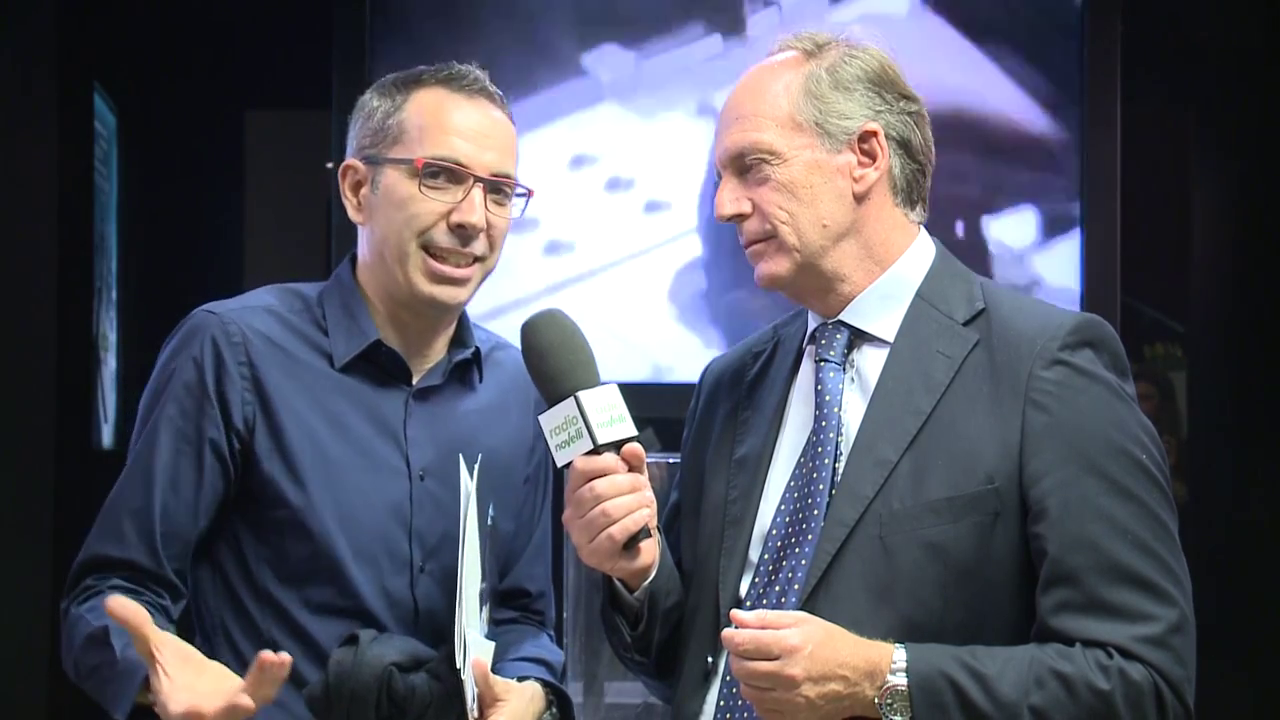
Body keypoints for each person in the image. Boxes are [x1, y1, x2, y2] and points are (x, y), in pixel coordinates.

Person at [563, 31, 1194, 720]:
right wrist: (638, 573)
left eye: (754, 168)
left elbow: (1140, 684)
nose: (724, 207)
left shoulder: (1047, 367)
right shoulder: (730, 385)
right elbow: (695, 668)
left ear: (864, 157)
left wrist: (883, 679)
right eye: (721, 177)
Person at [62, 62, 566, 720]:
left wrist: (532, 691)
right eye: (440, 176)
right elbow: (105, 595)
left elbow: (523, 617)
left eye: (499, 191)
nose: (474, 218)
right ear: (357, 190)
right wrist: (155, 670)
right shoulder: (231, 353)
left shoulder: (519, 389)